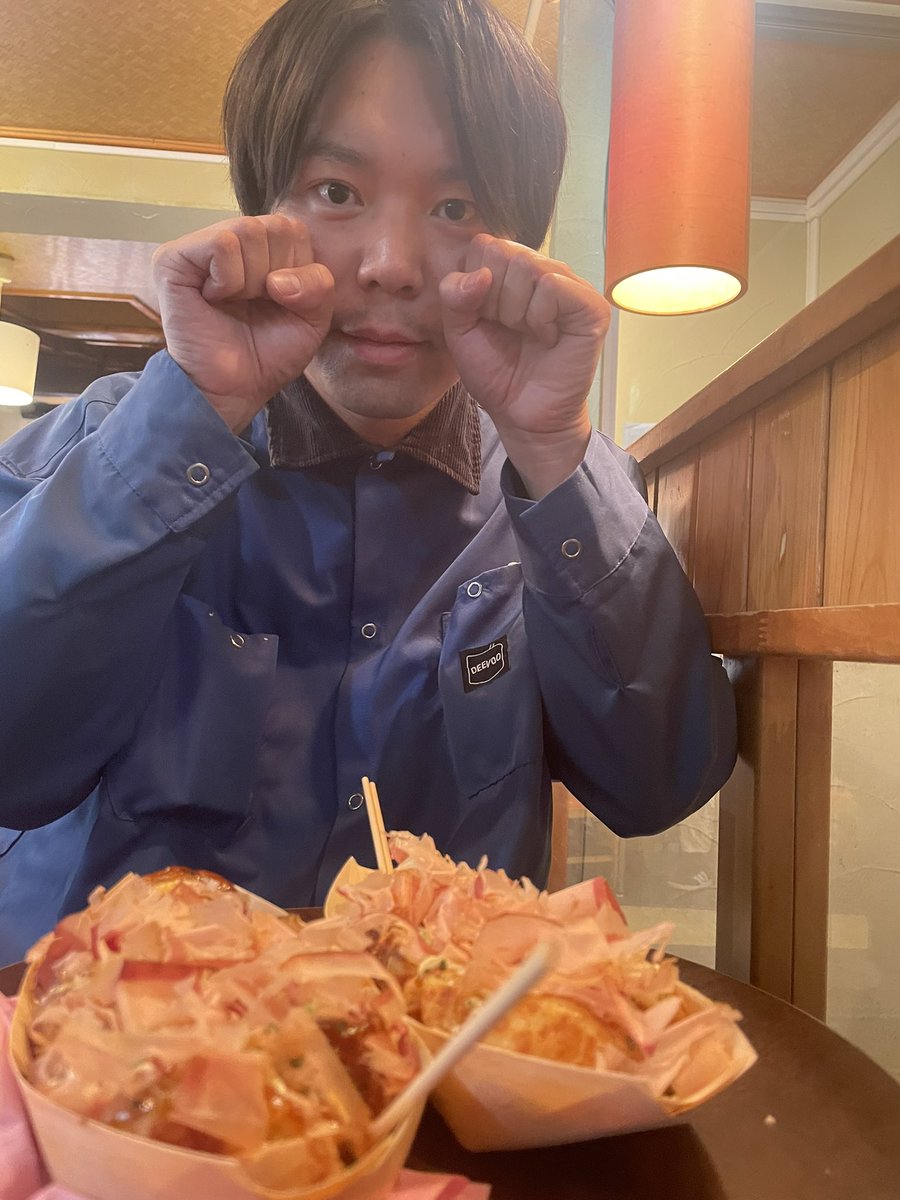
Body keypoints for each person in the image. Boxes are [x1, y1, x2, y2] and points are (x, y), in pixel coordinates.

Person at [0, 0, 736, 962]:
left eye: (455, 208)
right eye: (337, 190)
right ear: (263, 208)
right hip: (116, 1032)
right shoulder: (103, 440)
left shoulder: (561, 487)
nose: (391, 267)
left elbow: (658, 787)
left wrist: (554, 445)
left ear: (517, 244)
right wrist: (181, 425)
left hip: (436, 1037)